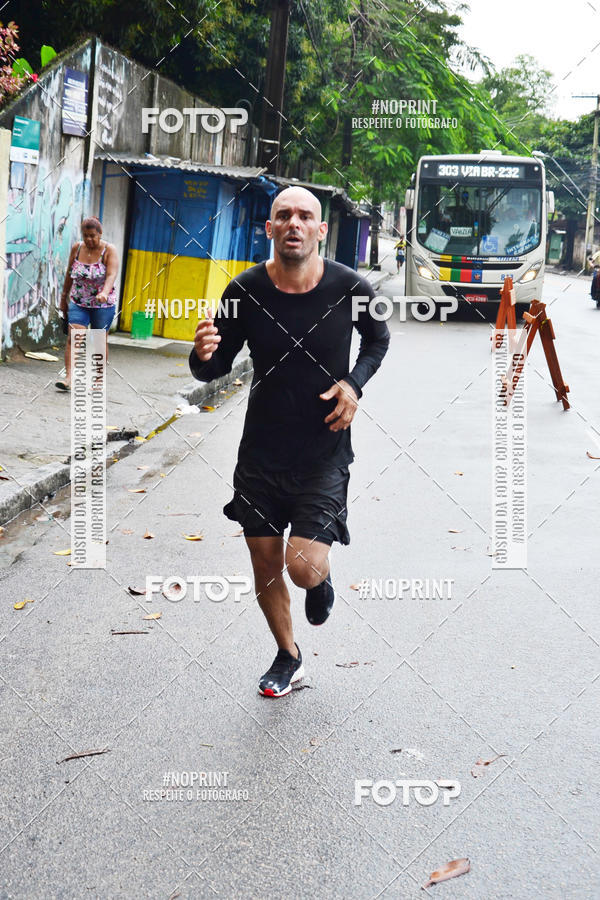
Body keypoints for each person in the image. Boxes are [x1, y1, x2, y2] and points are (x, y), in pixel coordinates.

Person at [189, 186, 390, 698]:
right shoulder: (244, 290)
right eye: (284, 215)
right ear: (270, 228)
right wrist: (200, 354)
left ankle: (319, 579)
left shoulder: (350, 286)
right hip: (260, 451)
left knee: (301, 567)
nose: (294, 223)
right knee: (263, 559)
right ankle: (288, 654)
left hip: (324, 449)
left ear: (321, 230)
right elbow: (216, 365)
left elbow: (378, 338)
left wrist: (354, 383)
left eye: (305, 216)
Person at [56, 217, 119, 391]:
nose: (89, 239)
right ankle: (68, 378)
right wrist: (63, 299)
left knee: (99, 340)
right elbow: (70, 273)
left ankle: (97, 380)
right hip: (79, 301)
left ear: (100, 234)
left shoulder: (109, 250)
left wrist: (105, 292)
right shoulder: (77, 248)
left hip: (103, 305)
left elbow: (111, 275)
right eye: (85, 236)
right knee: (74, 336)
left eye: (92, 235)